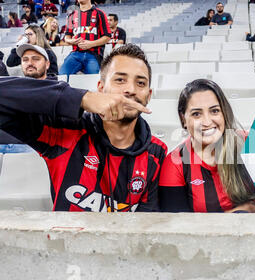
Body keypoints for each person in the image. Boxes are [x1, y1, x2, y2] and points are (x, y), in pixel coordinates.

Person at [0, 43, 167, 212]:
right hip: (66, 238)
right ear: (101, 88)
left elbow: (147, 222)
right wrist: (81, 99)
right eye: (120, 80)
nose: (131, 89)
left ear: (149, 95)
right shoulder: (64, 130)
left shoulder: (157, 152)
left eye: (140, 83)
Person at [159, 79, 255, 213]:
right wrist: (236, 214)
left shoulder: (250, 143)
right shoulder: (174, 163)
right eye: (196, 114)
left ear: (224, 113)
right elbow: (176, 225)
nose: (207, 122)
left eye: (214, 111)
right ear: (183, 119)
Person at [0, 44, 52, 154]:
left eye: (36, 59)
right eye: (25, 60)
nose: (29, 63)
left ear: (47, 64)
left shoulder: (58, 89)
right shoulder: (12, 86)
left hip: (29, 147)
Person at [60, 0, 111, 76]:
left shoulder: (99, 13)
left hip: (93, 54)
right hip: (75, 54)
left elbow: (107, 37)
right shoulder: (72, 15)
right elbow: (67, 37)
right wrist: (72, 41)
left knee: (93, 81)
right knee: (61, 76)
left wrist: (91, 44)